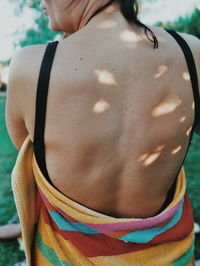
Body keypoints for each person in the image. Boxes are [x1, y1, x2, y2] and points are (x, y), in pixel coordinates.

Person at [6, 0, 200, 265]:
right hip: (169, 257)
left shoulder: (32, 66)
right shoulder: (190, 51)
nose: (40, 2)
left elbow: (29, 155)